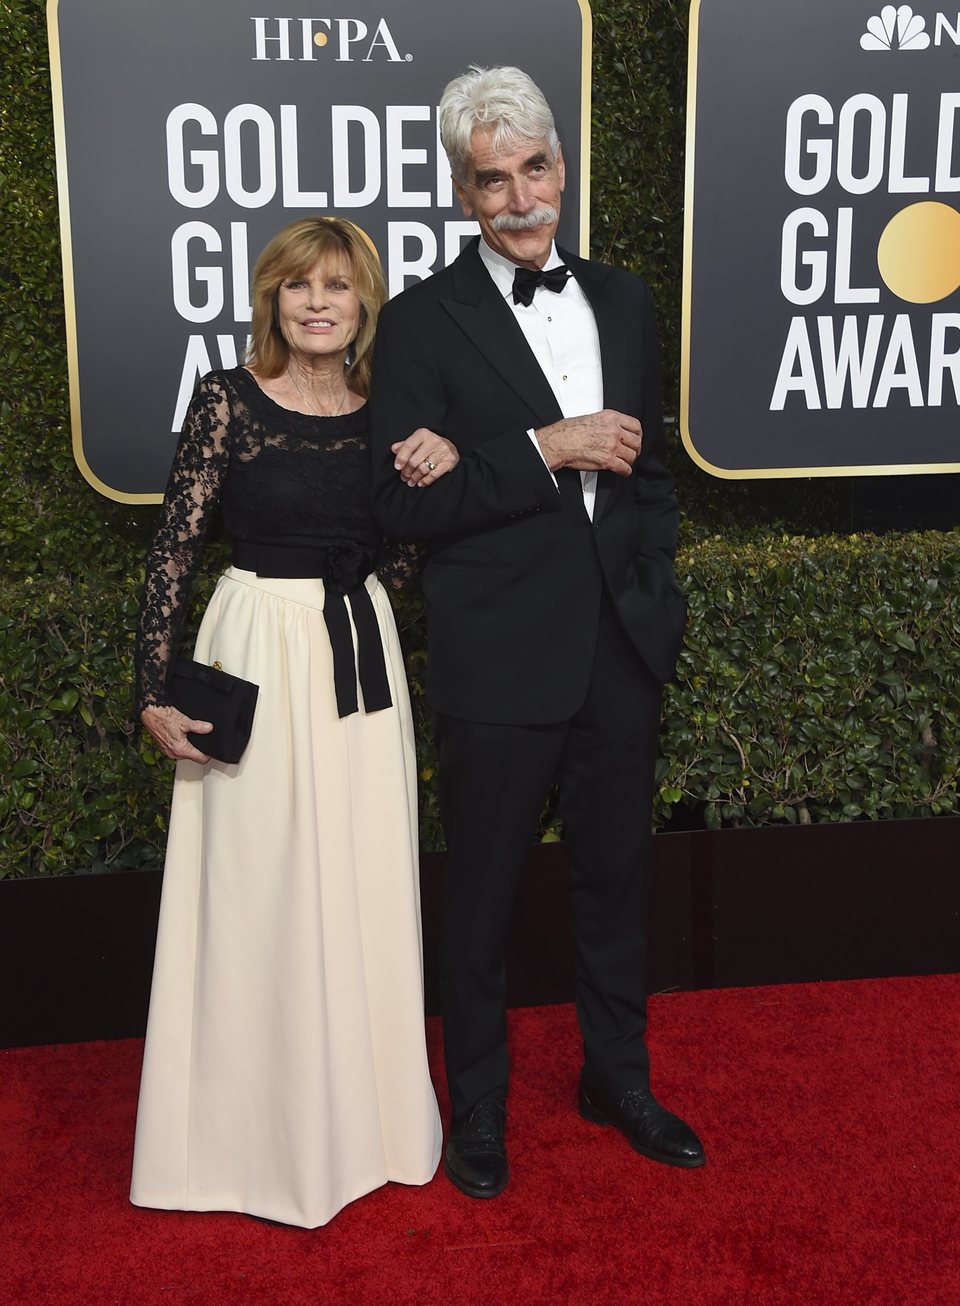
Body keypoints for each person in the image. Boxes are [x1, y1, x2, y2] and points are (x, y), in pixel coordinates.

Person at [368, 66, 705, 1200]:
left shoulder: (625, 298)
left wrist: (655, 591)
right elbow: (404, 506)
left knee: (616, 884)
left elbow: (650, 469)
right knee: (482, 904)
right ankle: (479, 1114)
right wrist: (541, 448)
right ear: (463, 193)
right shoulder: (418, 324)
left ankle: (617, 1077)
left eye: (534, 169)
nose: (518, 198)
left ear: (562, 168)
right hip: (499, 656)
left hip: (620, 648)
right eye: (491, 178)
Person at [130, 216, 456, 1228]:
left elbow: (401, 559)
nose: (317, 303)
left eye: (338, 287)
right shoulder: (226, 401)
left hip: (358, 651)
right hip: (254, 646)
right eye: (295, 287)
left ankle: (372, 1129)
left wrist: (428, 475)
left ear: (365, 305)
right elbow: (175, 547)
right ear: (271, 301)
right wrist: (151, 685)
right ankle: (244, 1140)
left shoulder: (385, 412)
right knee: (254, 889)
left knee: (360, 878)